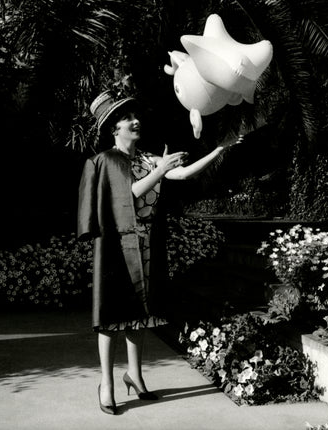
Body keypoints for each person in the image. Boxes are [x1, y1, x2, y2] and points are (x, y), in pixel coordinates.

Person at [77, 90, 241, 415]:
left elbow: (181, 173)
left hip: (145, 244)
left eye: (134, 116)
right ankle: (107, 384)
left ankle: (135, 375)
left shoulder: (147, 158)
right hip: (114, 248)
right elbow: (126, 195)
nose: (134, 121)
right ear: (113, 128)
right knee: (111, 318)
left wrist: (220, 148)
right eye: (126, 119)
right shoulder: (106, 161)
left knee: (138, 316)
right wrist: (160, 168)